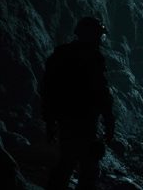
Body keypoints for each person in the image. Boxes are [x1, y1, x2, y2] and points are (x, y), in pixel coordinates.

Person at [40, 16, 116, 190]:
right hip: (84, 120)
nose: (100, 40)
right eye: (99, 35)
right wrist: (109, 120)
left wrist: (50, 121)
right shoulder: (93, 59)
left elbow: (48, 90)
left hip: (67, 119)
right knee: (86, 167)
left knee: (67, 162)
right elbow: (101, 93)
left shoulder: (61, 54)